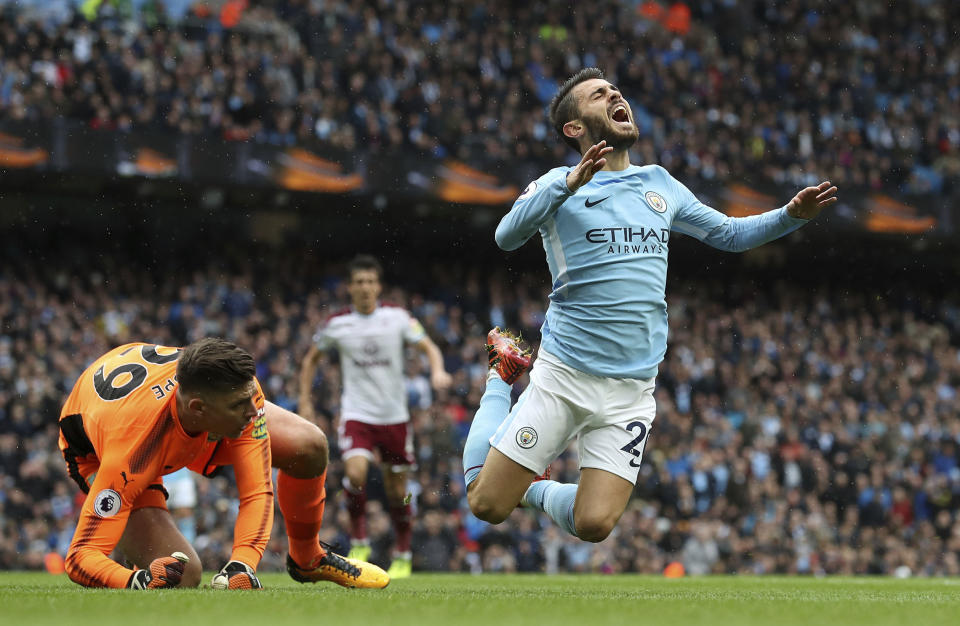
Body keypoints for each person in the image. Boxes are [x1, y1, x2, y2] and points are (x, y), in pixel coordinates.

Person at [462, 68, 838, 544]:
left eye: (615, 91)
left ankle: (534, 491)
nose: (615, 95)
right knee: (486, 503)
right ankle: (500, 381)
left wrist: (789, 217)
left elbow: (729, 234)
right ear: (574, 128)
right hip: (565, 375)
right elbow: (505, 236)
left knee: (594, 524)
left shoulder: (660, 184)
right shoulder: (559, 183)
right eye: (599, 95)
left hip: (632, 388)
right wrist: (569, 185)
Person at [57, 338, 389, 589]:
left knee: (309, 444)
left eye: (250, 397)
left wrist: (242, 565)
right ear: (200, 408)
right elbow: (80, 558)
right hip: (101, 449)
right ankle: (132, 550)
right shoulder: (133, 451)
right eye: (239, 404)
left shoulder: (240, 396)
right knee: (185, 576)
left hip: (180, 421)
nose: (254, 409)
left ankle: (308, 559)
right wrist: (136, 581)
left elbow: (257, 490)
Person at [300, 254, 452, 578]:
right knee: (355, 474)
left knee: (398, 490)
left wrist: (437, 370)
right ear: (350, 287)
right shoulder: (338, 324)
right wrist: (306, 402)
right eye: (359, 282)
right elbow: (310, 359)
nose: (365, 287)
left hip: (395, 417)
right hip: (357, 414)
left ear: (378, 285)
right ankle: (360, 540)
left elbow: (429, 347)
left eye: (370, 281)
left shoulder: (398, 318)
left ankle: (403, 552)